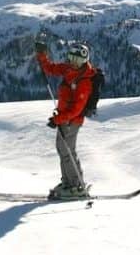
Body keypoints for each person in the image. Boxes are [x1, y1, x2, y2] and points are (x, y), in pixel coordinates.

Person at [35, 39, 96, 199]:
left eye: (78, 60)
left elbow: (77, 109)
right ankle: (69, 182)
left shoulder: (85, 80)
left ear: (84, 61)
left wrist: (59, 119)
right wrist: (42, 55)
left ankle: (76, 186)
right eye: (71, 58)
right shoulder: (68, 69)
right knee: (62, 150)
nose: (74, 62)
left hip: (71, 121)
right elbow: (50, 68)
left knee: (68, 151)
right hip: (63, 119)